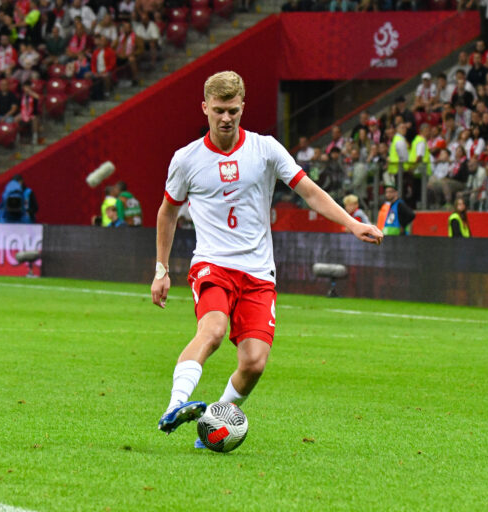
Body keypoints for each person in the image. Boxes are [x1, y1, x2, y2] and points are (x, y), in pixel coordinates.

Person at [151, 71, 383, 445]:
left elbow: (309, 191)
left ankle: (211, 423)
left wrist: (351, 223)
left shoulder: (266, 149)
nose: (226, 118)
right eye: (219, 110)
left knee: (254, 362)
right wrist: (161, 269)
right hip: (212, 263)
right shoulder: (186, 159)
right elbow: (167, 212)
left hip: (259, 272)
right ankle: (174, 405)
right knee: (212, 331)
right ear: (205, 108)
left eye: (232, 110)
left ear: (243, 107)